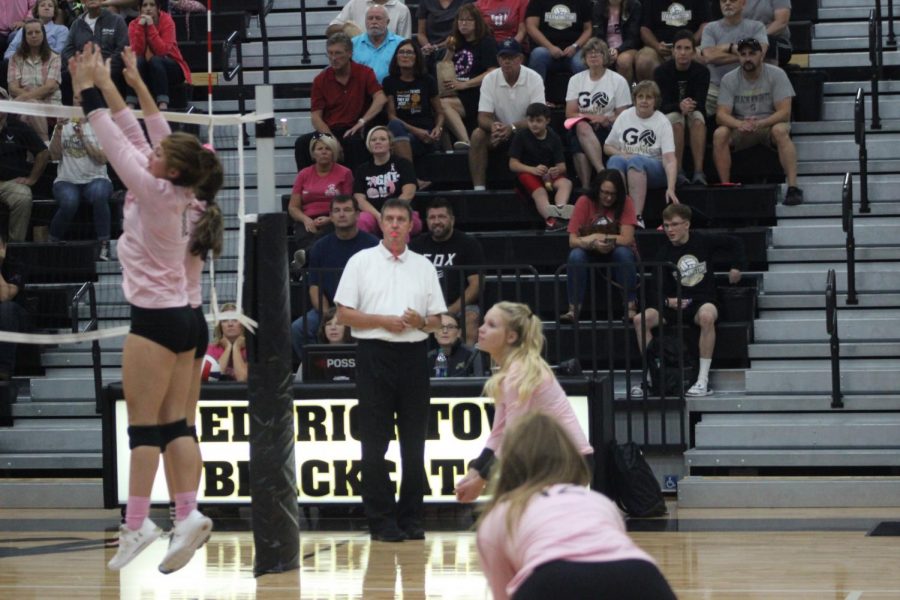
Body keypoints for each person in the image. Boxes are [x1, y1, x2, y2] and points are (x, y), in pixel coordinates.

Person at [71, 43, 219, 573]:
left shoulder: (154, 191)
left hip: (155, 321)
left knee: (144, 430)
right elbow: (149, 134)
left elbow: (114, 139)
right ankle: (188, 513)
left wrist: (87, 85)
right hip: (190, 321)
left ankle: (136, 525)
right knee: (179, 423)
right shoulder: (194, 194)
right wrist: (127, 83)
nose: (150, 155)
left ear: (168, 170)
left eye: (158, 159)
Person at [334, 198, 447, 542]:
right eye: (390, 219)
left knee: (414, 444)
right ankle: (381, 521)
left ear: (411, 226)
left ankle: (411, 518)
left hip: (414, 357)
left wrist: (420, 321)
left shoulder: (424, 266)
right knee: (374, 443)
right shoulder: (360, 262)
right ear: (381, 224)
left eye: (402, 219)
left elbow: (438, 321)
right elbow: (343, 315)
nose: (396, 225)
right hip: (373, 355)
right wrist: (383, 320)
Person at [475, 412, 677, 600]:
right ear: (569, 457)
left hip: (550, 581)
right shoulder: (597, 501)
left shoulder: (501, 513)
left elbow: (503, 594)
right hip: (641, 576)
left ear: (508, 464)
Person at [454, 301, 594, 502]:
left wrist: (481, 480)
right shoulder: (508, 373)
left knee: (519, 517)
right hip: (550, 461)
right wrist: (474, 472)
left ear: (511, 336)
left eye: (491, 325)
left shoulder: (520, 373)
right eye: (483, 323)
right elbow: (498, 433)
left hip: (568, 461)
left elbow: (513, 439)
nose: (481, 329)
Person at [631, 203, 745, 398]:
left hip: (702, 300)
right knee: (640, 320)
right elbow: (654, 289)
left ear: (687, 224)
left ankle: (702, 380)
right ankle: (652, 377)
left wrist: (737, 266)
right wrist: (668, 302)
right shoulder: (664, 252)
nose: (670, 230)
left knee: (708, 316)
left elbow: (735, 242)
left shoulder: (702, 240)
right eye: (666, 225)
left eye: (674, 225)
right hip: (675, 305)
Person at [712, 37, 802, 205]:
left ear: (761, 55)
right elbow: (721, 115)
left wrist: (761, 123)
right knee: (720, 133)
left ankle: (792, 187)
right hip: (742, 126)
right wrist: (740, 124)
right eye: (743, 54)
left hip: (769, 124)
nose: (747, 58)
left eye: (752, 53)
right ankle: (726, 186)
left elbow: (784, 112)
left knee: (780, 131)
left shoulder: (777, 74)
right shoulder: (729, 79)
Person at [290, 195, 378, 362]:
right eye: (336, 211)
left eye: (347, 210)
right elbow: (315, 288)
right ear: (330, 216)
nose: (342, 214)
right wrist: (329, 317)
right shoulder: (319, 247)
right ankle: (320, 371)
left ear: (358, 215)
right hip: (330, 309)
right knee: (298, 329)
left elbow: (379, 287)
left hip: (365, 309)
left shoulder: (373, 245)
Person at [294, 32, 387, 171]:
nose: (333, 58)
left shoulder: (364, 73)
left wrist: (362, 121)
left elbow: (381, 98)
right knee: (302, 143)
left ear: (349, 53)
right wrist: (330, 139)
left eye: (338, 53)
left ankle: (356, 189)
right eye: (330, 53)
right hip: (329, 130)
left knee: (354, 142)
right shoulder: (321, 80)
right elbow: (316, 117)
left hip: (355, 128)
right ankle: (306, 186)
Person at [560, 169, 638, 323]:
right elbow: (572, 240)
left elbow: (628, 239)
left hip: (616, 249)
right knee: (576, 255)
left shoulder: (626, 201)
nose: (609, 197)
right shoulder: (584, 201)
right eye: (605, 192)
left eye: (613, 194)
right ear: (597, 189)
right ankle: (573, 310)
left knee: (624, 253)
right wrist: (593, 243)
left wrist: (601, 237)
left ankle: (630, 306)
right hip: (590, 250)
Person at [469, 38, 545, 191]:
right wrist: (494, 127)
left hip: (526, 132)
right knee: (477, 135)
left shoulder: (534, 78)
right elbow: (482, 116)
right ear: (498, 59)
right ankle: (478, 190)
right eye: (503, 58)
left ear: (520, 59)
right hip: (499, 133)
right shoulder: (490, 79)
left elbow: (539, 116)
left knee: (540, 129)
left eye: (511, 57)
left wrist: (512, 127)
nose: (506, 62)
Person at [410, 197, 486, 346]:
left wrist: (450, 310)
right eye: (432, 217)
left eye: (442, 217)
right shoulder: (416, 246)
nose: (436, 221)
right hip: (424, 306)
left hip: (459, 306)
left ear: (452, 220)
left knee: (470, 318)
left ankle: (464, 367)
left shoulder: (468, 244)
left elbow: (476, 284)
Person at [603, 80, 678, 227]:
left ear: (655, 101)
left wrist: (671, 188)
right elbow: (607, 146)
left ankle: (636, 217)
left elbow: (670, 159)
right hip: (627, 164)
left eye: (649, 97)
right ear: (635, 99)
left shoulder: (662, 121)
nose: (644, 101)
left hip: (654, 169)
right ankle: (617, 214)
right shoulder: (625, 116)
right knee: (614, 161)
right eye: (640, 97)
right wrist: (621, 154)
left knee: (636, 161)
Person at [47, 92, 114, 258]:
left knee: (99, 195)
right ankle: (51, 241)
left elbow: (102, 159)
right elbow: (54, 155)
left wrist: (83, 137)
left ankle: (104, 244)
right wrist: (59, 130)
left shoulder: (101, 126)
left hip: (96, 178)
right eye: (76, 98)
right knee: (70, 202)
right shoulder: (62, 124)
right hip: (66, 180)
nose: (80, 102)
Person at [564, 37, 632, 189]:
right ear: (584, 58)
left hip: (609, 127)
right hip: (583, 126)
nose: (593, 56)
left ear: (606, 57)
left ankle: (589, 185)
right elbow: (570, 113)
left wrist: (605, 119)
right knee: (581, 130)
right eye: (589, 53)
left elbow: (623, 115)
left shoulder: (618, 80)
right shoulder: (576, 80)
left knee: (578, 142)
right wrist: (591, 118)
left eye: (598, 53)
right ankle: (598, 175)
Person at [383, 38, 445, 182]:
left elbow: (440, 112)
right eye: (402, 52)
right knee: (395, 127)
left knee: (401, 140)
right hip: (404, 132)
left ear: (417, 57)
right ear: (396, 57)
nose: (405, 55)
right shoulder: (389, 81)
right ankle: (412, 180)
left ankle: (408, 180)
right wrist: (416, 131)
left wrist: (438, 128)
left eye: (410, 52)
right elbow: (392, 116)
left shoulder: (428, 80)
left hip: (427, 134)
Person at [654, 28, 710, 186]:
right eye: (678, 48)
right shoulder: (661, 72)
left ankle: (699, 171)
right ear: (672, 51)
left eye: (687, 48)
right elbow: (662, 105)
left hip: (694, 109)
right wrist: (679, 106)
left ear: (693, 52)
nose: (683, 52)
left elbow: (701, 101)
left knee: (698, 119)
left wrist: (688, 106)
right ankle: (678, 171)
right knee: (675, 120)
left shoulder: (703, 72)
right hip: (670, 111)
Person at [287, 133, 354, 265]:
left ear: (333, 152)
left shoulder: (345, 173)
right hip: (308, 218)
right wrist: (306, 220)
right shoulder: (304, 174)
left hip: (334, 217)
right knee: (305, 234)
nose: (324, 152)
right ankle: (308, 262)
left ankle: (304, 258)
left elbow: (349, 203)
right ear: (313, 153)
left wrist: (331, 218)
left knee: (329, 233)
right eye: (319, 149)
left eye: (327, 149)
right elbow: (293, 207)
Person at [509, 102, 574, 232]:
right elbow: (513, 164)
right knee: (540, 192)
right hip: (527, 173)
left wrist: (556, 170)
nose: (534, 124)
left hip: (548, 175)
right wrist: (532, 169)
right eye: (531, 120)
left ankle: (560, 214)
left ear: (547, 121)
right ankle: (551, 220)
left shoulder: (554, 137)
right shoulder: (521, 136)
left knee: (566, 183)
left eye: (539, 121)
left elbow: (562, 166)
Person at [439, 4, 498, 148]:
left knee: (442, 105)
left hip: (476, 93)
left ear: (477, 22)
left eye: (468, 20)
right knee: (435, 104)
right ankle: (448, 151)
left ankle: (466, 142)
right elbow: (443, 69)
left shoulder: (486, 42)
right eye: (460, 20)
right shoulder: (457, 42)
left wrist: (465, 84)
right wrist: (450, 51)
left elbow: (492, 71)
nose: (463, 23)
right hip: (456, 92)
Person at [0, 87, 50, 243]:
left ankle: (16, 247)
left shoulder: (18, 127)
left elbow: (42, 152)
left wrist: (32, 179)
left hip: (11, 184)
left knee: (23, 197)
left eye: (1, 100)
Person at [700, 0, 767, 115]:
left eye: (733, 0)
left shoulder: (757, 27)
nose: (727, 3)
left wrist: (720, 51)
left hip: (747, 86)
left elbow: (760, 55)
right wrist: (731, 47)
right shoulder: (710, 28)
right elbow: (708, 56)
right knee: (697, 116)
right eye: (723, 1)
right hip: (715, 87)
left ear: (743, 3)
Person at [353, 125, 422, 236]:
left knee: (409, 221)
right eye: (373, 140)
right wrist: (379, 216)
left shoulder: (403, 164)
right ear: (368, 144)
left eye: (382, 139)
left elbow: (409, 192)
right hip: (374, 215)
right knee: (361, 220)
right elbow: (359, 199)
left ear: (390, 144)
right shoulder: (362, 169)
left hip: (400, 210)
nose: (377, 142)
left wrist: (390, 214)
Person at [126, 0, 190, 111]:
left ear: (158, 8)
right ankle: (131, 102)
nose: (148, 8)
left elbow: (162, 51)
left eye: (152, 5)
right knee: (136, 61)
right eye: (145, 5)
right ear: (140, 9)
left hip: (171, 66)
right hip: (148, 67)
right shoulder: (134, 24)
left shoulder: (167, 21)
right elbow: (136, 52)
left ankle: (162, 102)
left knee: (156, 60)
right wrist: (140, 28)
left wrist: (150, 26)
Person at [60, 0, 129, 102]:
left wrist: (102, 67)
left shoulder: (116, 20)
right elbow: (67, 51)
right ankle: (72, 116)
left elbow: (122, 48)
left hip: (109, 70)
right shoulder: (76, 24)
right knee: (65, 75)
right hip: (83, 70)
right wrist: (80, 67)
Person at [7, 18, 62, 141]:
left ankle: (33, 153)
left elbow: (49, 87)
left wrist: (25, 97)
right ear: (24, 37)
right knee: (31, 106)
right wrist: (30, 98)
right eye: (29, 33)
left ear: (43, 34)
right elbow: (13, 88)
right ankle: (44, 147)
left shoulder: (54, 58)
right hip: (22, 106)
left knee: (29, 108)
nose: (34, 36)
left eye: (37, 32)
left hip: (49, 106)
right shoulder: (15, 58)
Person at [635, 0, 709, 82]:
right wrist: (657, 46)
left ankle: (696, 94)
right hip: (659, 48)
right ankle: (652, 93)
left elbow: (705, 24)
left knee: (703, 58)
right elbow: (644, 29)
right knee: (644, 61)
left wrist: (691, 44)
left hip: (692, 46)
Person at [524, 0, 592, 81]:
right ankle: (536, 93)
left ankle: (585, 93)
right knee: (537, 55)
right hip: (546, 50)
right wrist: (550, 47)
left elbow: (588, 29)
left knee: (580, 64)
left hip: (575, 50)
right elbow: (531, 26)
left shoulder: (582, 2)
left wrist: (575, 46)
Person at [714, 0, 791, 66]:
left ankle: (768, 79)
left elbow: (781, 22)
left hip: (775, 41)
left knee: (766, 42)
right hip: (741, 40)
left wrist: (755, 38)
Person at [591, 0, 641, 83]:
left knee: (623, 61)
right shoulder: (598, 6)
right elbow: (598, 34)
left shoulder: (634, 5)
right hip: (604, 47)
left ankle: (624, 93)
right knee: (594, 57)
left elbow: (633, 37)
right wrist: (606, 50)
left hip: (628, 48)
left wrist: (618, 50)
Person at [351, 5, 404, 83]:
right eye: (370, 18)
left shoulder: (400, 43)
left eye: (378, 18)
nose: (374, 22)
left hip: (391, 92)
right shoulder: (352, 44)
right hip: (361, 93)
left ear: (387, 22)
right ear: (365, 21)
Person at [0, 232, 27, 381]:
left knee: (6, 308)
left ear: (4, 247)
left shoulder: (16, 265)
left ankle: (4, 368)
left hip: (16, 320)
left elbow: (4, 297)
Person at [4, 0, 69, 60]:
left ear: (54, 12)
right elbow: (9, 52)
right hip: (22, 63)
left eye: (50, 6)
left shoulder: (62, 30)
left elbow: (60, 52)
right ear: (37, 11)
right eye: (42, 5)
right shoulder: (24, 29)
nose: (46, 8)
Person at [427, 312, 487, 376]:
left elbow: (479, 382)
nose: (445, 331)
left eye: (450, 327)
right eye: (441, 327)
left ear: (459, 333)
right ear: (435, 334)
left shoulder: (472, 355)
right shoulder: (429, 357)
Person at [204, 302, 248, 383]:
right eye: (225, 320)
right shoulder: (211, 349)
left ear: (242, 324)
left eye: (235, 320)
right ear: (220, 325)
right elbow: (212, 378)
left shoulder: (251, 350)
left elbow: (242, 378)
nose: (230, 324)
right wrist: (228, 348)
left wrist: (236, 347)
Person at [327, 0, 412, 39]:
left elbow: (406, 45)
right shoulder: (355, 3)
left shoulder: (401, 10)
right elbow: (329, 31)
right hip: (357, 64)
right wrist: (345, 28)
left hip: (389, 67)